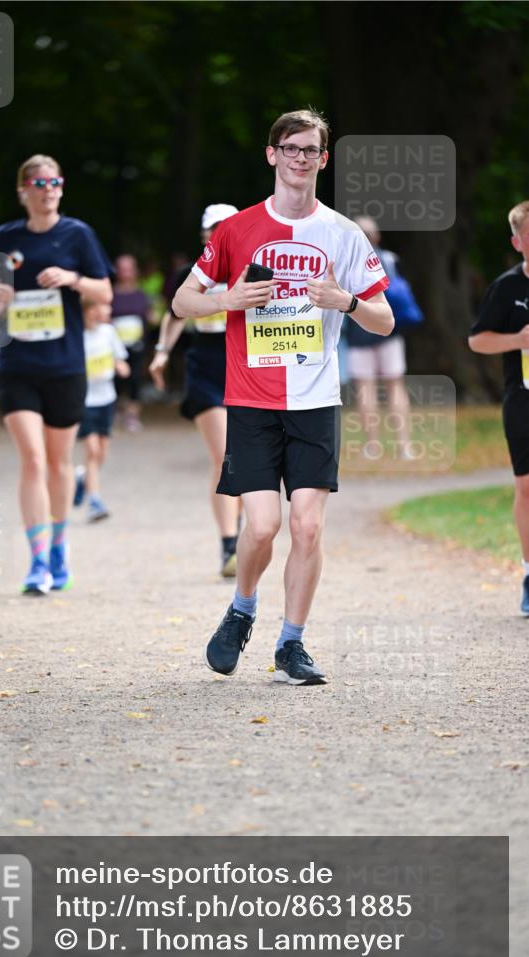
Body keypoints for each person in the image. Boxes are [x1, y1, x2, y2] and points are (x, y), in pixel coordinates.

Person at [173, 108, 393, 685]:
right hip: (251, 398)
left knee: (308, 526)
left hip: (316, 399)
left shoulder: (344, 234)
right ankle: (242, 606)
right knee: (264, 525)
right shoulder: (235, 230)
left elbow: (385, 319)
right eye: (290, 148)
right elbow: (180, 303)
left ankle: (291, 644)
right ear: (272, 155)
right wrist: (229, 300)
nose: (300, 158)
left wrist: (342, 300)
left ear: (325, 159)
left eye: (310, 150)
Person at [0, 154, 113, 595]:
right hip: (17, 366)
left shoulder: (77, 234)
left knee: (60, 464)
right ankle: (37, 560)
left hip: (64, 365)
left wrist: (71, 278)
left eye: (55, 181)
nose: (49, 189)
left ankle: (59, 547)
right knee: (33, 460)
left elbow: (104, 290)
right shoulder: (6, 236)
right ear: (23, 190)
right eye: (39, 183)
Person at [149, 203, 243, 578]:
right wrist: (160, 353)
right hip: (205, 364)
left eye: (227, 227)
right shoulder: (193, 274)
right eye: (214, 228)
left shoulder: (253, 270)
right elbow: (174, 316)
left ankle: (251, 534)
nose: (220, 233)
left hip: (244, 362)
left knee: (249, 458)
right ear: (205, 235)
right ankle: (229, 545)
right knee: (223, 457)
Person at [469, 200, 529, 616]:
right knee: (526, 488)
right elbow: (477, 341)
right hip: (522, 398)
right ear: (518, 241)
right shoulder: (507, 288)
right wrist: (518, 339)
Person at [343, 216, 422, 460]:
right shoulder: (388, 259)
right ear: (376, 237)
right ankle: (404, 445)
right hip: (389, 332)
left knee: (365, 389)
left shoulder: (343, 265)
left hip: (358, 336)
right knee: (395, 386)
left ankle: (373, 446)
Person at [75, 301, 130, 522]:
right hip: (84, 400)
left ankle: (82, 478)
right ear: (88, 310)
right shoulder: (76, 336)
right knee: (93, 451)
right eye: (99, 308)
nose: (105, 311)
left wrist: (121, 367)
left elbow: (120, 358)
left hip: (106, 399)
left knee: (102, 454)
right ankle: (94, 502)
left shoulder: (108, 332)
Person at [111, 254, 150, 432]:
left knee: (136, 380)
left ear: (135, 271)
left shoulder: (142, 295)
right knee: (116, 381)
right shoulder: (110, 293)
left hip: (137, 346)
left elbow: (150, 318)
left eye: (129, 269)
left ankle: (132, 415)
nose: (125, 273)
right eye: (122, 269)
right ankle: (118, 411)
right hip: (115, 347)